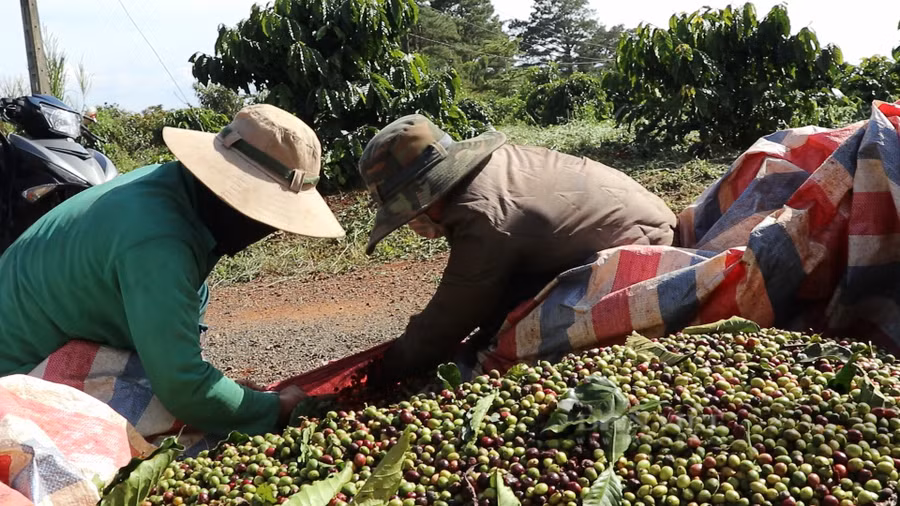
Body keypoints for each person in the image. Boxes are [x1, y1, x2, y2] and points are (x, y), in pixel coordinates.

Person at [0, 104, 345, 435]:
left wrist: (226, 395)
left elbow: (175, 353)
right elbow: (183, 389)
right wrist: (274, 409)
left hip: (53, 344)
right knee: (191, 441)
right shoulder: (159, 238)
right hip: (16, 381)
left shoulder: (169, 188)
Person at [359, 114, 677, 383]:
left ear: (430, 191)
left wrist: (383, 373)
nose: (416, 221)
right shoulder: (494, 167)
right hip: (644, 221)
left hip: (641, 252)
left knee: (503, 348)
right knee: (501, 309)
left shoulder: (482, 214)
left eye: (413, 212)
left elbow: (449, 317)